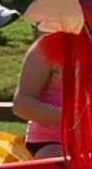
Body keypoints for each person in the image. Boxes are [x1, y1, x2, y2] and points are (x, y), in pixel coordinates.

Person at [13, 28, 70, 159]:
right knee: (55, 162)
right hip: (54, 141)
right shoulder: (48, 47)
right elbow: (22, 104)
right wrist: (69, 117)